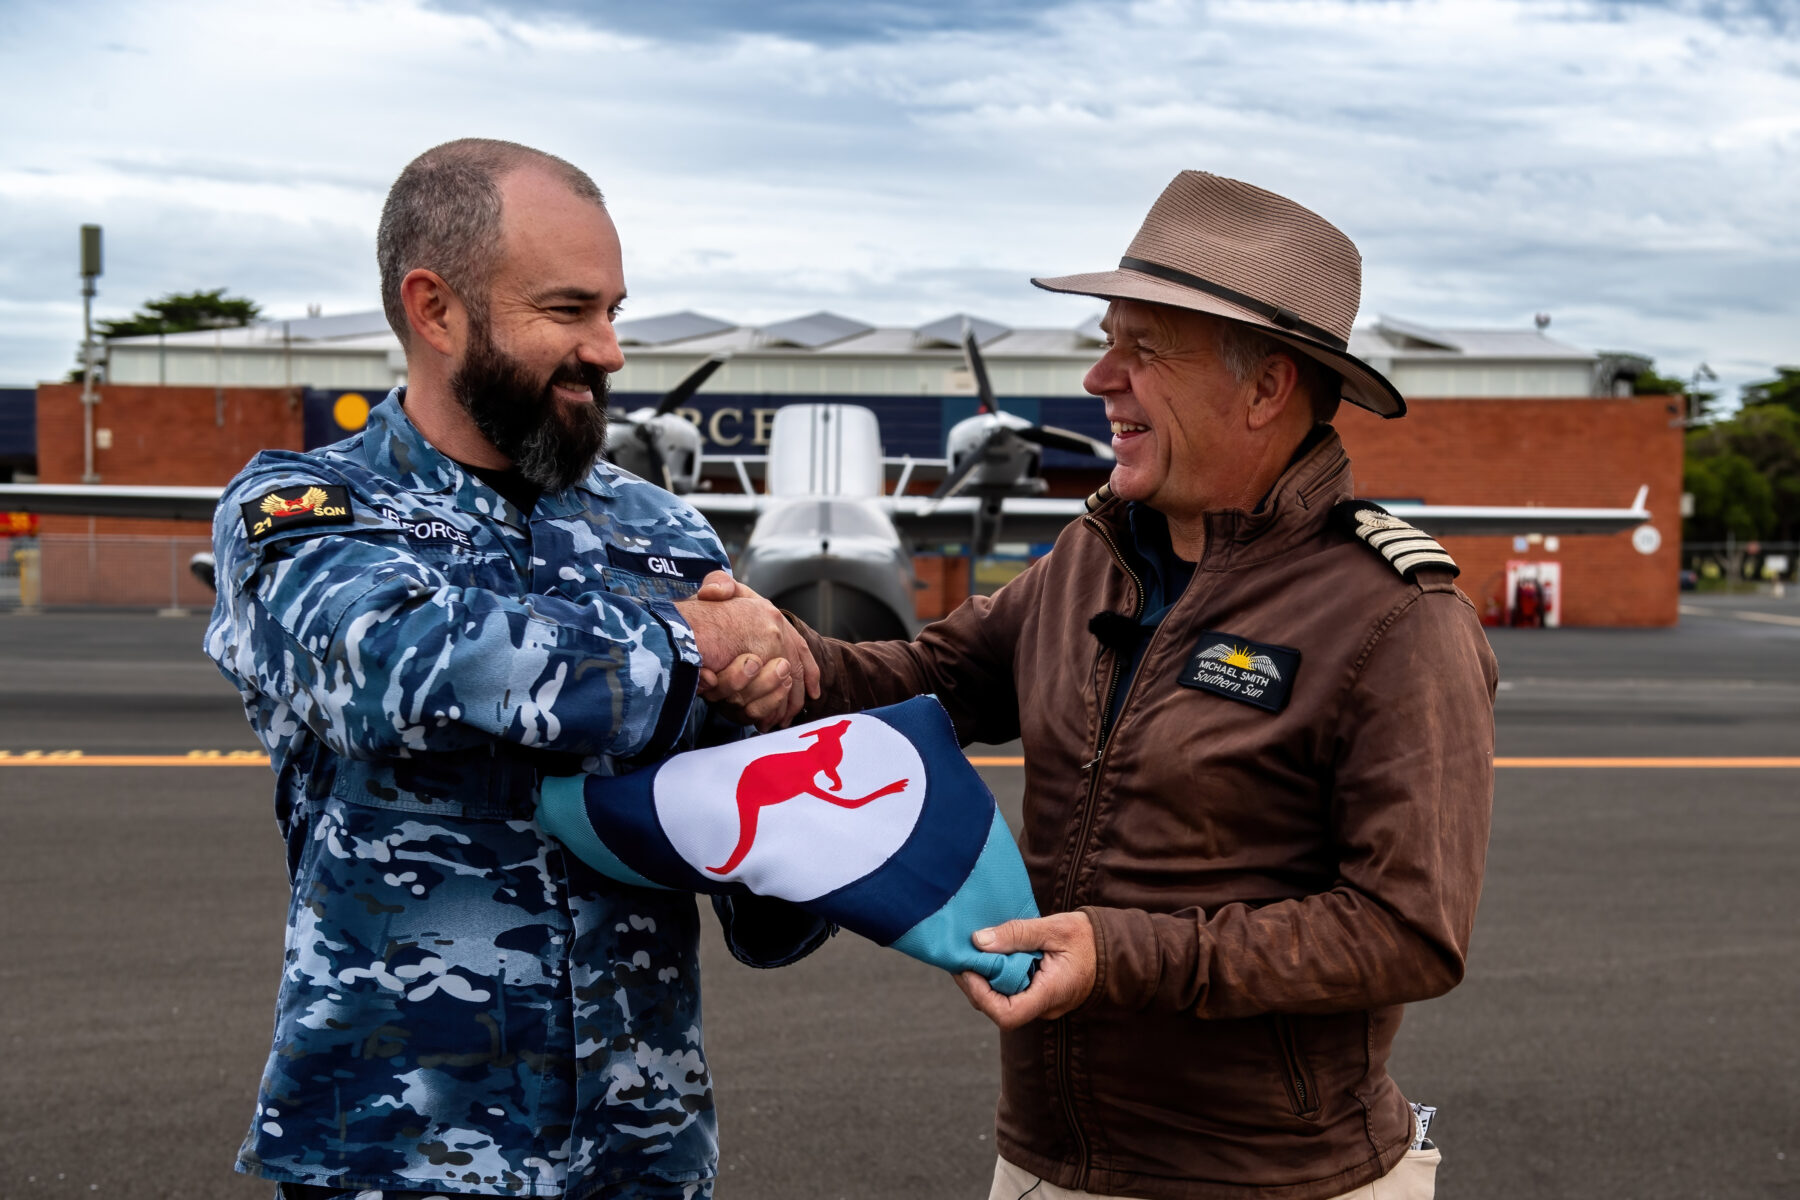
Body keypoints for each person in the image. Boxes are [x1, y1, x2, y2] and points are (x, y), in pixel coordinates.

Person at [741, 172, 1499, 1200]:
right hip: (1048, 1165)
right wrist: (786, 661)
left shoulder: (1397, 618)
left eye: (1143, 349)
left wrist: (1123, 954)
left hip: (1268, 1182)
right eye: (1108, 340)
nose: (1101, 377)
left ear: (1266, 386)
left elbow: (1404, 930)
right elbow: (932, 681)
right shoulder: (1093, 556)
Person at [206, 138, 823, 1200]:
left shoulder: (663, 534)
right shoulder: (308, 515)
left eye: (615, 308)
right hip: (395, 1148)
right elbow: (395, 668)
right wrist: (689, 650)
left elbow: (746, 842)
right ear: (435, 309)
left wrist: (805, 773)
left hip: (639, 1148)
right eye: (569, 311)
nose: (611, 349)